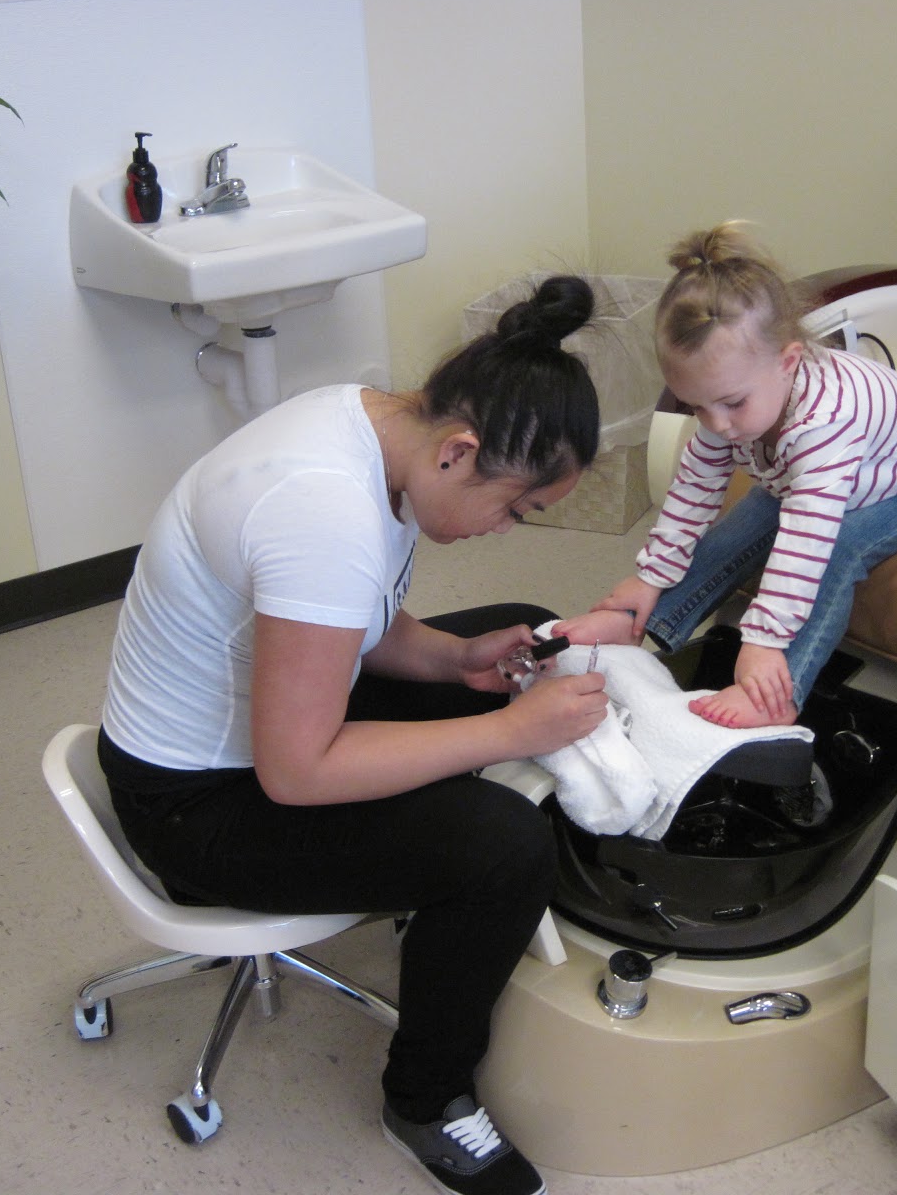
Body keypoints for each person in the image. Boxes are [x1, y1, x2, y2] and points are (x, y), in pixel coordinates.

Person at [97, 275, 609, 1195]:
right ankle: (427, 1101)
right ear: (459, 452)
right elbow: (298, 772)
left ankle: (435, 898)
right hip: (197, 807)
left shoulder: (370, 423)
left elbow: (352, 621)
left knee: (529, 635)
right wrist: (506, 728)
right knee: (505, 849)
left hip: (253, 725)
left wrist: (457, 661)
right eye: (515, 508)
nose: (505, 529)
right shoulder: (323, 511)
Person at [559, 223, 897, 728]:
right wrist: (648, 579)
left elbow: (808, 538)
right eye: (697, 406)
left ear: (787, 362)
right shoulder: (728, 404)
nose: (715, 424)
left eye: (731, 403)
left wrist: (764, 639)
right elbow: (693, 490)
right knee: (732, 532)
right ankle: (639, 622)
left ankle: (779, 696)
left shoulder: (826, 422)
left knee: (836, 552)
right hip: (805, 479)